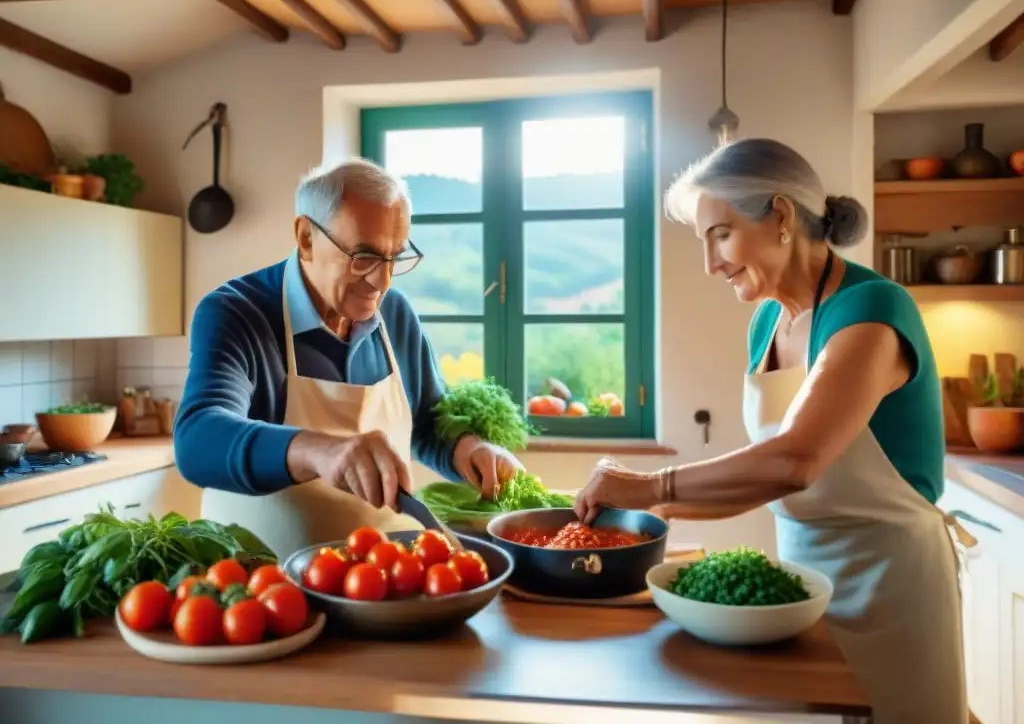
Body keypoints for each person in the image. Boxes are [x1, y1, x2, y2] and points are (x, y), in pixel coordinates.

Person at [574, 138, 973, 724]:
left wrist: (653, 486)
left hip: (892, 589)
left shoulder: (872, 310)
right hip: (802, 591)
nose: (710, 264)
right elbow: (768, 476)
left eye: (721, 234)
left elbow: (796, 460)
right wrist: (646, 519)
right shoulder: (768, 320)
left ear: (781, 217)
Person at [174, 158, 522, 557]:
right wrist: (319, 450)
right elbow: (196, 439)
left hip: (379, 578)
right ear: (306, 238)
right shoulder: (237, 312)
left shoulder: (396, 315)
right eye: (364, 257)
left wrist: (468, 449)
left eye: (394, 257)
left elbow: (427, 421)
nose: (382, 281)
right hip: (263, 587)